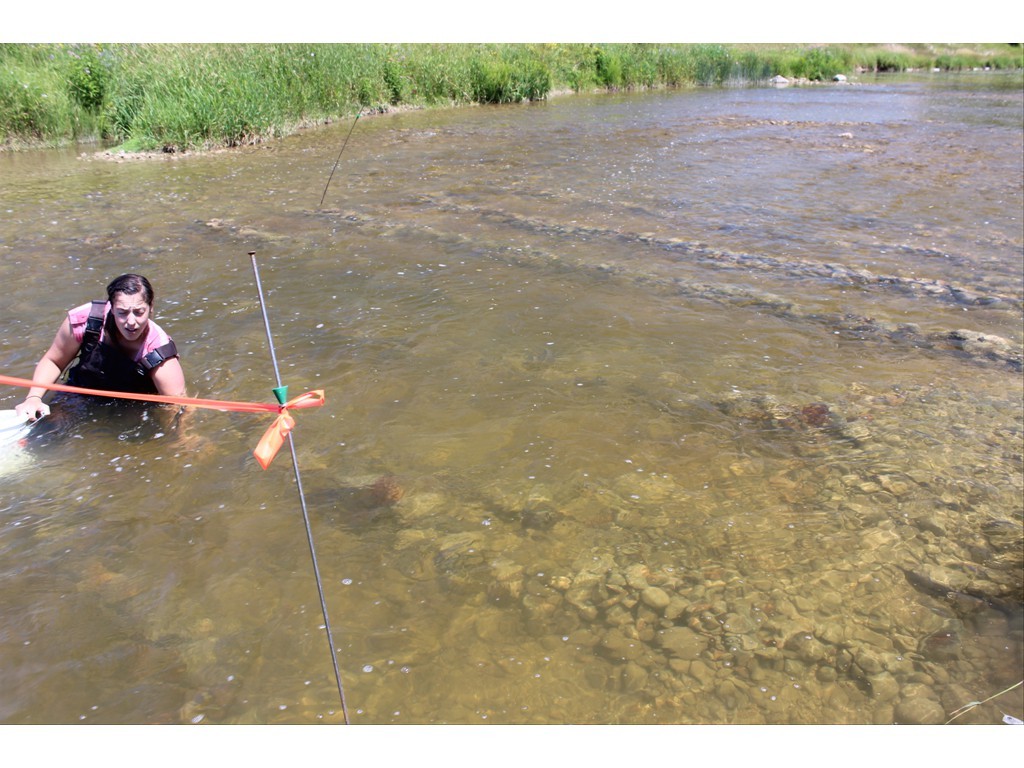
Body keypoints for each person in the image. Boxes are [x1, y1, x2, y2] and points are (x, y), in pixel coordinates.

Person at [14, 274, 186, 422]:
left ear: (151, 308)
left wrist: (184, 439)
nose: (131, 322)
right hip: (82, 392)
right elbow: (54, 361)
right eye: (122, 312)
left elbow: (179, 406)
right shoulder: (86, 320)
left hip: (130, 408)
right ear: (111, 308)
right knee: (45, 428)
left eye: (139, 312)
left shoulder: (159, 352)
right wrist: (34, 398)